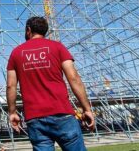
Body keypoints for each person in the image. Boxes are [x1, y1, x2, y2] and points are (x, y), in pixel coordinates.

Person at [6, 16, 95, 151]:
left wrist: (12, 112)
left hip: (35, 118)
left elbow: (11, 85)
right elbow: (74, 78)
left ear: (28, 30)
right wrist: (86, 108)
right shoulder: (58, 47)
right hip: (62, 113)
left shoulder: (16, 53)